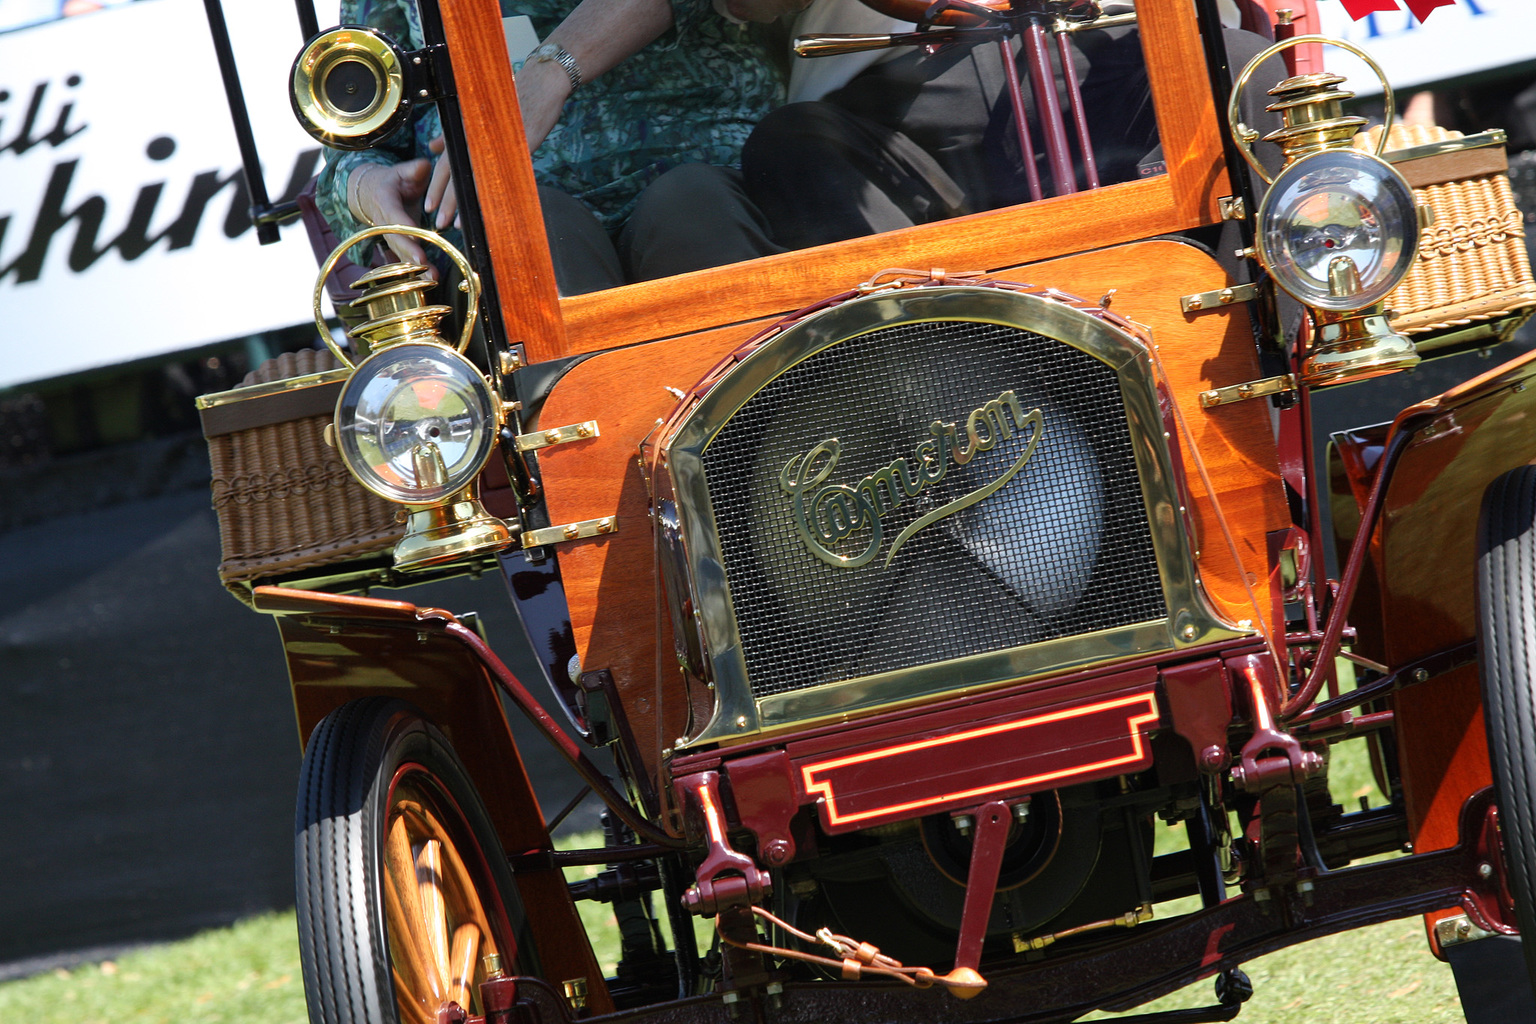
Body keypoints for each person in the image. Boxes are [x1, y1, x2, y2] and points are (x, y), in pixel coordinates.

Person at [317, 0, 786, 294]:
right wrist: (365, 185)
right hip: (509, 215)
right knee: (532, 239)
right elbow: (359, 140)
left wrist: (552, 70)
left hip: (700, 171)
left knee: (694, 213)